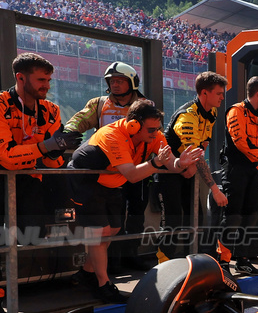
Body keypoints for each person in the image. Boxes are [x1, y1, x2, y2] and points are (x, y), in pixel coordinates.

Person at [0, 53, 80, 313]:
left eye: (49, 80)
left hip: (29, 180)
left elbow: (51, 161)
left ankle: (20, 286)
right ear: (20, 77)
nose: (47, 85)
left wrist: (61, 150)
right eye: (41, 80)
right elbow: (6, 155)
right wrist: (47, 148)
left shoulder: (52, 110)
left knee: (31, 234)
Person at [69, 100, 200, 301]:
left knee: (112, 230)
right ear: (134, 125)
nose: (155, 133)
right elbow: (132, 175)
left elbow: (170, 163)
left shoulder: (153, 134)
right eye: (150, 129)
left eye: (157, 129)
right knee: (100, 233)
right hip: (86, 180)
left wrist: (180, 163)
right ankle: (103, 285)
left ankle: (86, 273)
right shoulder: (113, 135)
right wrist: (156, 163)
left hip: (111, 181)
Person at [65, 62, 153, 270]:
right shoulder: (99, 103)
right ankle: (112, 260)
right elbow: (80, 119)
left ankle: (131, 254)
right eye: (112, 81)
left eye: (120, 81)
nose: (115, 85)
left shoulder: (144, 104)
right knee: (113, 217)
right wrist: (68, 132)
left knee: (136, 212)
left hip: (137, 168)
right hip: (108, 172)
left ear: (132, 82)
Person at [157, 71, 229, 261]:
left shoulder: (212, 111)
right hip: (168, 170)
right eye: (219, 93)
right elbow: (195, 155)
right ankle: (164, 262)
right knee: (172, 220)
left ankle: (193, 260)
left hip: (187, 169)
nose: (222, 97)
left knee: (195, 217)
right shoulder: (187, 116)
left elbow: (203, 144)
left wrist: (192, 166)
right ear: (204, 93)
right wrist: (214, 188)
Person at [223, 76, 258, 275]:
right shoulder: (235, 112)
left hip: (254, 171)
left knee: (250, 217)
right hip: (235, 170)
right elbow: (241, 144)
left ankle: (243, 260)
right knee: (232, 217)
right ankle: (222, 262)